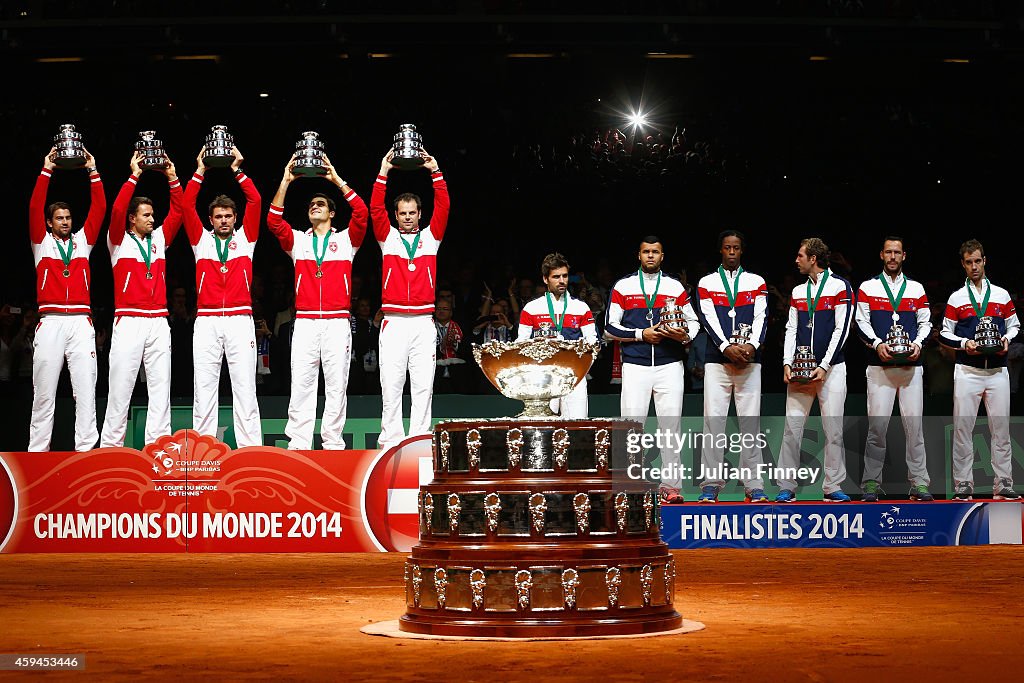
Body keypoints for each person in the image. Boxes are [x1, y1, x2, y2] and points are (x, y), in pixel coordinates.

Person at [267, 153, 367, 450]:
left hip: (337, 322)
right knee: (302, 384)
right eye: (311, 205)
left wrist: (335, 179)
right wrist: (286, 181)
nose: (314, 207)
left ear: (332, 213)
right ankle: (298, 442)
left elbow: (362, 213)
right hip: (307, 322)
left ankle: (333, 443)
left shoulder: (347, 241)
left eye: (321, 204)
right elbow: (273, 220)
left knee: (337, 386)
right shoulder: (298, 241)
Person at [605, 236, 698, 504]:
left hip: (670, 365)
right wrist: (641, 334)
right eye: (646, 251)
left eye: (655, 252)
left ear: (662, 256)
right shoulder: (624, 286)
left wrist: (685, 336)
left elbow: (692, 321)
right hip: (635, 365)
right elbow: (611, 327)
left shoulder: (673, 286)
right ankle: (629, 485)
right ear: (639, 255)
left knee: (671, 426)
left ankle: (671, 486)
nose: (650, 256)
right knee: (632, 426)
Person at [180, 145, 263, 447]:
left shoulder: (246, 239)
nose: (224, 220)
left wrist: (237, 169)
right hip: (207, 320)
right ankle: (203, 447)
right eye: (218, 216)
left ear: (236, 217)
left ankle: (250, 448)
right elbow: (186, 206)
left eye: (228, 216)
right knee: (204, 388)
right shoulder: (200, 241)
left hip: (240, 319)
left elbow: (256, 200)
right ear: (211, 219)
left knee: (245, 388)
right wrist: (200, 170)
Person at [100, 151, 182, 448]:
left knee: (161, 390)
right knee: (120, 388)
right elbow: (117, 209)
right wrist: (134, 175)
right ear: (132, 219)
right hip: (129, 320)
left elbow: (179, 211)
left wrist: (172, 178)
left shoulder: (159, 239)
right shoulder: (118, 242)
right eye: (146, 215)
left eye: (152, 214)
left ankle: (158, 448)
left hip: (158, 321)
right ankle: (110, 448)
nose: (152, 218)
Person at [370, 148, 449, 450]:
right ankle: (390, 440)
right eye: (401, 213)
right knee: (391, 385)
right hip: (393, 322)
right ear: (396, 215)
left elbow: (444, 205)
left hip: (422, 323)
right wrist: (383, 171)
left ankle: (418, 439)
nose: (406, 218)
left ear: (420, 214)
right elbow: (375, 208)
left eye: (411, 212)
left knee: (423, 386)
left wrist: (435, 171)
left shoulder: (431, 238)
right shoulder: (387, 238)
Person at [28, 146, 106, 451]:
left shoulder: (82, 242)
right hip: (50, 322)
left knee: (86, 388)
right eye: (58, 218)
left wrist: (93, 170)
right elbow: (35, 207)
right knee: (44, 391)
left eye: (68, 217)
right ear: (49, 222)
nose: (64, 221)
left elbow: (98, 209)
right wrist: (47, 169)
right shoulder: (41, 244)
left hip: (80, 322)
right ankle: (37, 451)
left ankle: (86, 448)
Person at [939, 239, 1020, 500]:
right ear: (963, 264)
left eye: (978, 261)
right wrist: (965, 343)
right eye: (969, 262)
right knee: (963, 428)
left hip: (997, 371)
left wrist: (1007, 339)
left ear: (985, 260)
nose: (974, 266)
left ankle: (1004, 482)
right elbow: (944, 333)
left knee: (1001, 428)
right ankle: (964, 484)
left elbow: (1014, 325)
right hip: (967, 371)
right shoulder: (956, 298)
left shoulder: (1001, 295)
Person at [693, 230, 769, 503]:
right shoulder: (707, 282)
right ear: (721, 251)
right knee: (714, 423)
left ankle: (754, 484)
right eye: (727, 248)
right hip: (717, 361)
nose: (732, 252)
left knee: (750, 424)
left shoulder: (756, 281)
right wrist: (726, 346)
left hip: (750, 361)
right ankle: (711, 483)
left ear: (742, 250)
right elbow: (707, 317)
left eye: (736, 247)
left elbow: (761, 316)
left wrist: (752, 346)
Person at [854, 237, 933, 502]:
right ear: (881, 255)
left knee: (914, 427)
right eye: (888, 252)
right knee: (877, 429)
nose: (892, 257)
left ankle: (919, 483)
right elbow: (861, 321)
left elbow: (925, 322)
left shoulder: (916, 288)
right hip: (879, 367)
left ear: (904, 256)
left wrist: (919, 343)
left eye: (897, 252)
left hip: (911, 367)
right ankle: (871, 483)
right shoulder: (868, 287)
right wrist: (877, 344)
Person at [777, 238, 854, 502]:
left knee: (833, 428)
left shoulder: (840, 287)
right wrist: (787, 362)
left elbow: (841, 329)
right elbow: (791, 328)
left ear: (813, 259)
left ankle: (832, 486)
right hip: (800, 368)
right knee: (792, 427)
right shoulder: (799, 291)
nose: (796, 260)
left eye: (800, 256)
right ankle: (787, 485)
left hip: (831, 370)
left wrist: (824, 365)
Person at [517, 253, 598, 417]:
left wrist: (581, 369)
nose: (562, 281)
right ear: (545, 279)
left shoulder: (581, 308)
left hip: (574, 376)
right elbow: (521, 344)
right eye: (556, 277)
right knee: (543, 429)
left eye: (565, 276)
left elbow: (593, 343)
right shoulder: (531, 308)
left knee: (577, 427)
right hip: (542, 377)